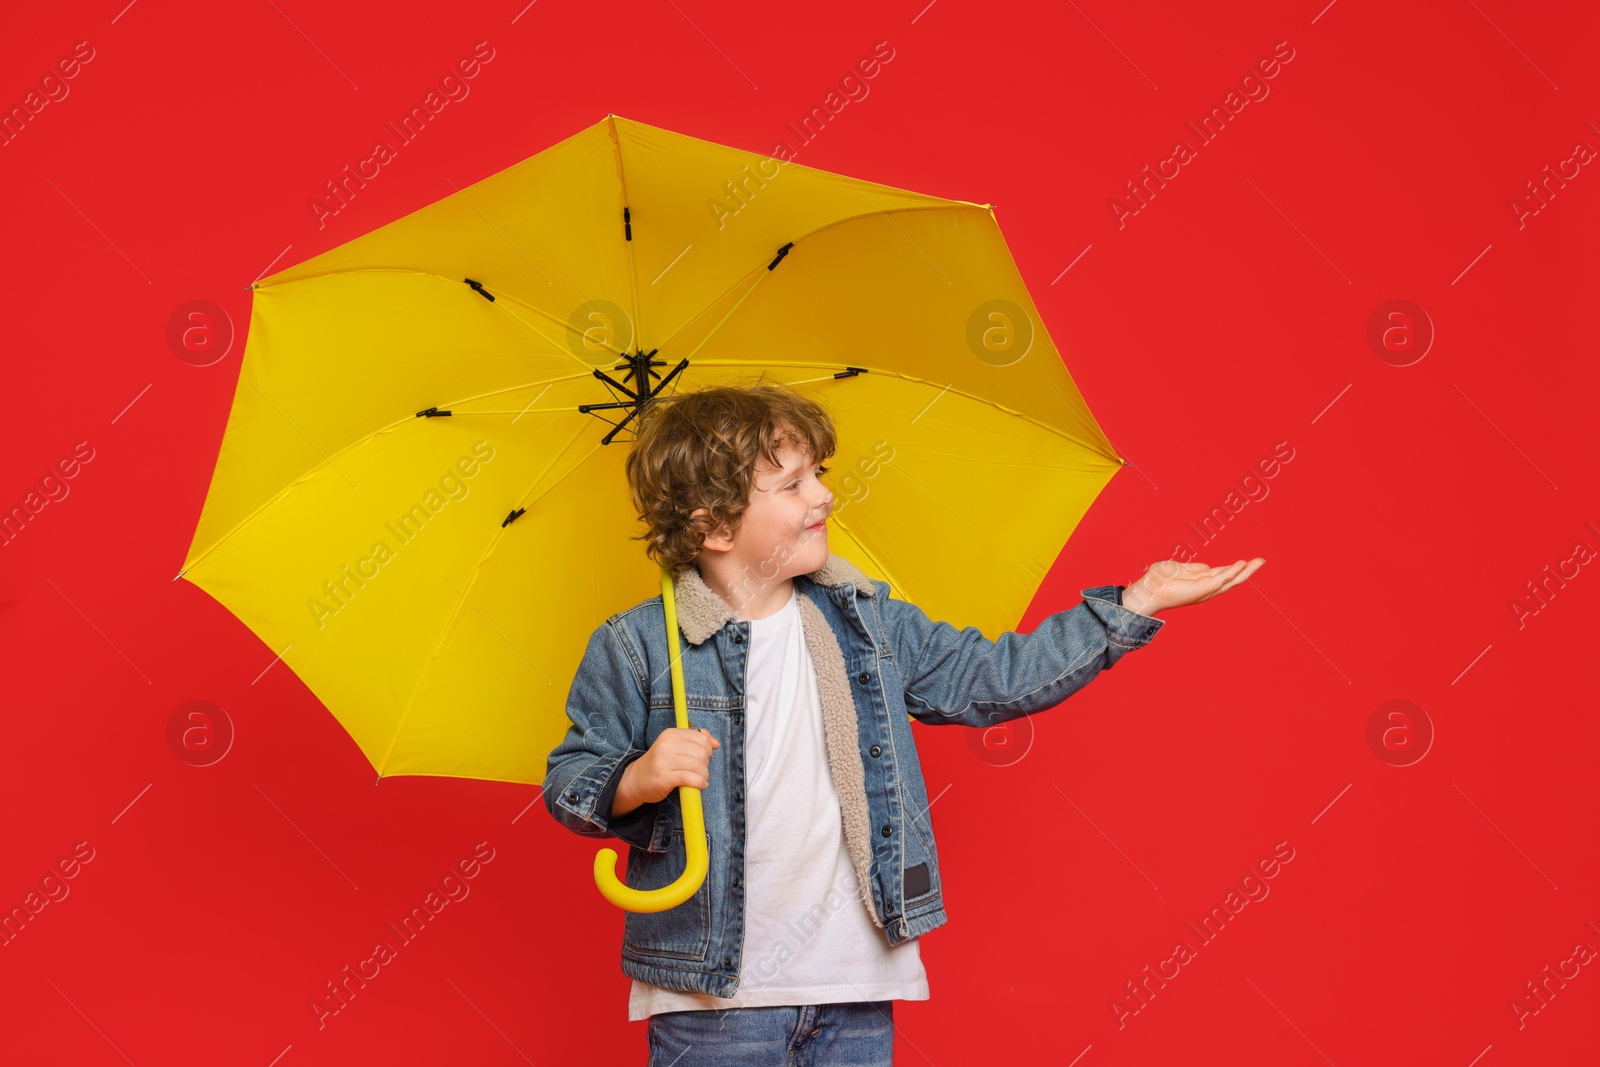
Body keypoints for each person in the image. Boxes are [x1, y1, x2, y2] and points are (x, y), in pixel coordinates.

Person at [543, 381, 1264, 1066]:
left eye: (818, 472)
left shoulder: (866, 621)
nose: (825, 494)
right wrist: (637, 777)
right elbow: (572, 778)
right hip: (712, 997)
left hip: (855, 984)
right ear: (713, 525)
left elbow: (993, 678)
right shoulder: (637, 644)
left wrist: (1133, 604)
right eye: (793, 484)